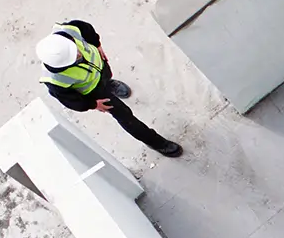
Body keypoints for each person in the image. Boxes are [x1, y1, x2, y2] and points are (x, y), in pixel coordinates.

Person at [36, 20, 184, 157]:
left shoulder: (68, 31)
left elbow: (86, 28)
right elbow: (70, 101)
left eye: (76, 50)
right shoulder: (54, 81)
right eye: (74, 58)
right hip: (96, 92)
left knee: (107, 76)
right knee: (125, 117)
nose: (79, 54)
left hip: (101, 68)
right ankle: (156, 142)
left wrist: (97, 44)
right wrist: (93, 104)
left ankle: (110, 84)